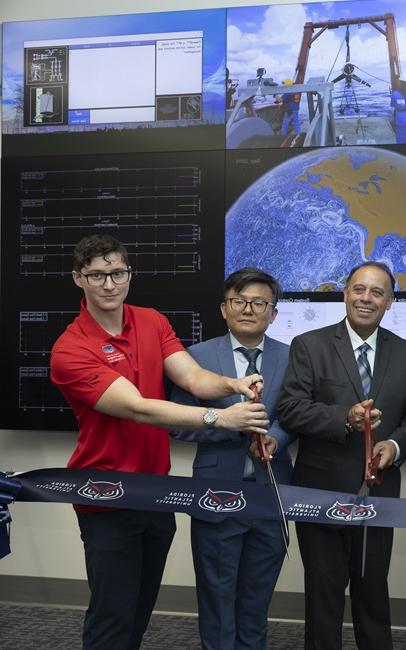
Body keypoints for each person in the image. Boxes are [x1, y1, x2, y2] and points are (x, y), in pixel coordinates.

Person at [50, 235, 269, 650]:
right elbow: (138, 408)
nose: (109, 284)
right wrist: (220, 418)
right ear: (79, 278)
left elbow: (191, 377)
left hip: (157, 493)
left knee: (139, 612)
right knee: (112, 615)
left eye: (117, 272)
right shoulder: (70, 349)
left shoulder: (151, 320)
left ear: (129, 274)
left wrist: (231, 383)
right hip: (106, 495)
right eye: (97, 275)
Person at [276, 261, 406, 650]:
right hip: (320, 488)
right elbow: (291, 408)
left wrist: (393, 446)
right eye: (359, 289)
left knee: (372, 589)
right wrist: (344, 417)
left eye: (377, 292)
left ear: (390, 302)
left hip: (379, 490)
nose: (366, 298)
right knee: (323, 592)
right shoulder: (309, 344)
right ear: (345, 293)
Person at [170, 267, 294, 650]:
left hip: (271, 493)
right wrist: (229, 424)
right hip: (216, 490)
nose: (247, 309)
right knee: (217, 596)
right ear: (223, 309)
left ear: (273, 313)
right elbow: (176, 422)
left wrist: (274, 437)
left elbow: (296, 415)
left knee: (257, 599)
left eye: (259, 302)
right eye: (238, 301)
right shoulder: (196, 357)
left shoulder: (292, 357)